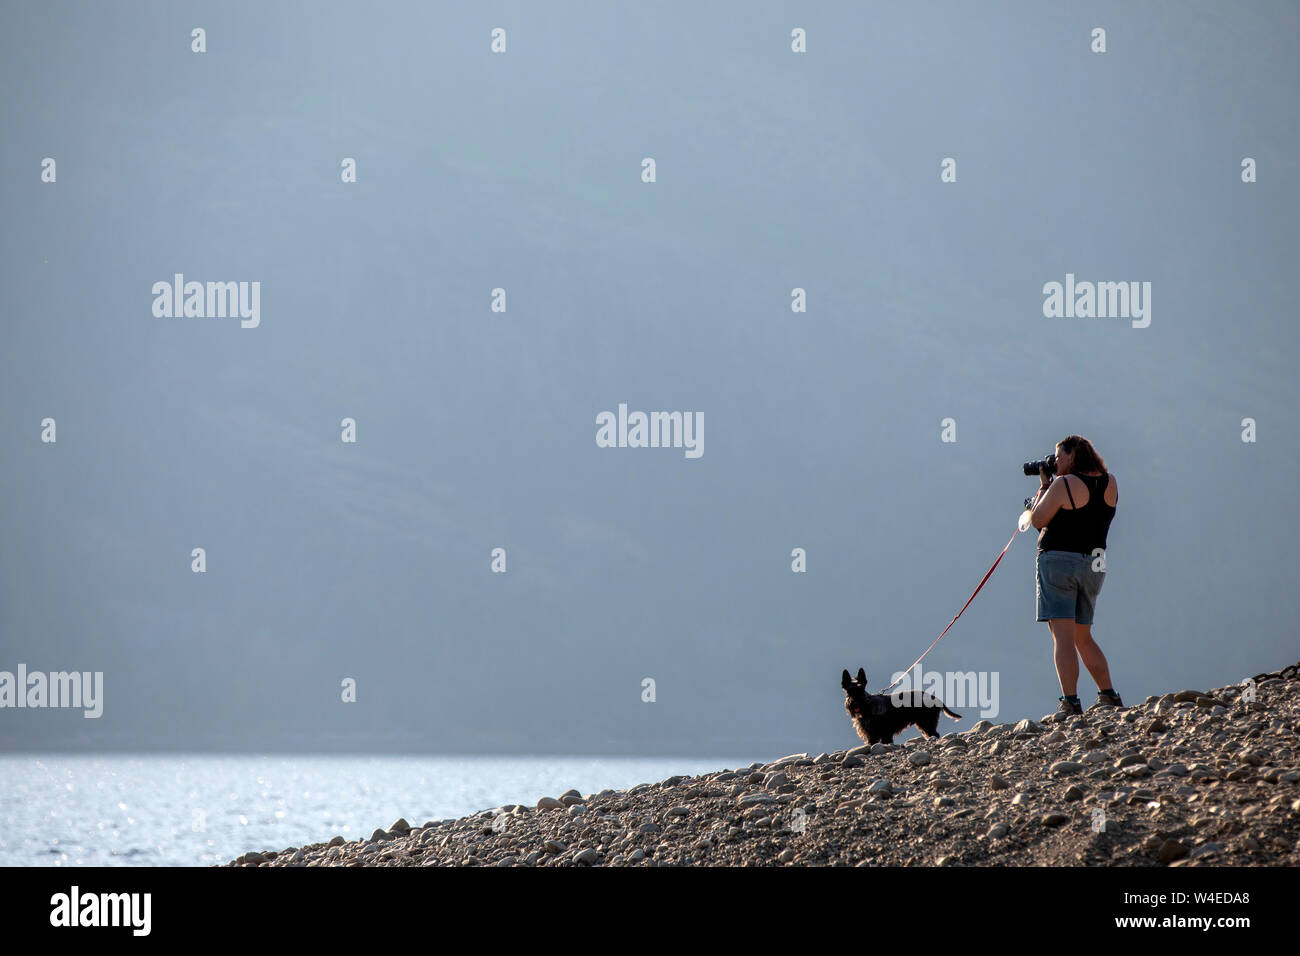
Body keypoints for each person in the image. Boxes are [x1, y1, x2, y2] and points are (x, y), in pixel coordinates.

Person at [1027, 435, 1122, 716]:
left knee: (1063, 637)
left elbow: (1037, 520)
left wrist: (1045, 485)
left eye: (1059, 456)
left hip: (1059, 562)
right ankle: (1108, 694)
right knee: (1084, 635)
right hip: (1094, 563)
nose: (1055, 462)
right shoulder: (1110, 482)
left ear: (1073, 456)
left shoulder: (1063, 484)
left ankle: (1070, 701)